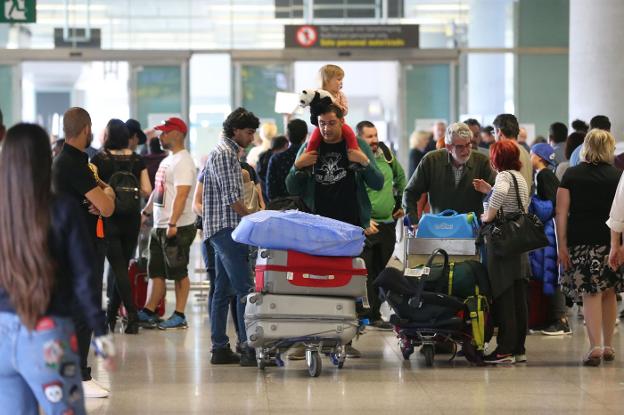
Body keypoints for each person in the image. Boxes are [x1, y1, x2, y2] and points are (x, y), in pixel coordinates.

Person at [0, 123, 115, 414]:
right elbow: (84, 277)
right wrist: (101, 332)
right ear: (45, 158)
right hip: (47, 335)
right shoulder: (62, 209)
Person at [286, 104, 384, 358]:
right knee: (311, 282)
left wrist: (363, 163)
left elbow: (378, 182)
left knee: (346, 284)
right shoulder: (311, 145)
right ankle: (307, 338)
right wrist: (298, 166)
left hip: (349, 226)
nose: (326, 129)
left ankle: (345, 339)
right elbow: (291, 186)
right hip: (316, 225)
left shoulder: (357, 145)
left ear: (342, 121)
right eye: (321, 123)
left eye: (331, 123)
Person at [52, 107, 116, 398]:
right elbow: (107, 206)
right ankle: (80, 375)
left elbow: (106, 193)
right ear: (87, 128)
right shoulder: (74, 164)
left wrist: (106, 195)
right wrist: (106, 198)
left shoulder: (68, 160)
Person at [198, 107, 259, 366]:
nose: (252, 138)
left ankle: (220, 347)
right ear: (235, 131)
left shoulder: (225, 152)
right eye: (248, 132)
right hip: (227, 230)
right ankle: (247, 347)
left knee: (223, 290)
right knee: (245, 288)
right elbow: (232, 198)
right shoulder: (225, 154)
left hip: (221, 229)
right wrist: (251, 218)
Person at [556, 129, 623, 366]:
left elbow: (561, 213)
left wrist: (561, 245)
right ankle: (608, 346)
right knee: (610, 292)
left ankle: (594, 346)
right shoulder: (618, 176)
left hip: (580, 241)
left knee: (590, 293)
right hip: (611, 242)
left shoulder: (571, 175)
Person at [91, 119, 152, 334]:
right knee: (122, 268)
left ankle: (132, 316)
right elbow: (147, 189)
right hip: (132, 220)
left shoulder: (99, 158)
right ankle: (112, 314)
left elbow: (91, 187)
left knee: (118, 269)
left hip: (109, 218)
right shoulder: (137, 159)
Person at [473, 140, 530, 365]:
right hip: (519, 242)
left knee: (504, 294)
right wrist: (490, 190)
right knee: (518, 297)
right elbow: (515, 203)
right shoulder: (520, 177)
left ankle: (504, 349)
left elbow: (500, 197)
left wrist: (487, 216)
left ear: (496, 158)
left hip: (502, 244)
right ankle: (518, 349)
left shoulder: (504, 176)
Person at [138, 117, 196, 330]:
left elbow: (182, 195)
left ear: (178, 134)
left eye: (165, 132)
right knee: (156, 271)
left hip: (177, 226)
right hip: (160, 225)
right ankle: (149, 310)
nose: (160, 136)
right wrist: (146, 212)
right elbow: (158, 190)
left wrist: (172, 223)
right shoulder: (167, 160)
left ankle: (180, 315)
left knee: (179, 271)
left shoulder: (183, 161)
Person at [357, 120, 406, 330]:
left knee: (381, 271)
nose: (374, 140)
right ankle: (368, 315)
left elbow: (401, 177)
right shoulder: (355, 158)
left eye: (375, 135)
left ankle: (376, 312)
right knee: (365, 272)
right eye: (369, 136)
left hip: (387, 224)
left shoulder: (386, 154)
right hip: (365, 226)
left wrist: (400, 203)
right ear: (360, 139)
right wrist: (364, 217)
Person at [403, 122, 496, 225]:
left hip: (472, 229)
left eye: (468, 145)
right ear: (448, 147)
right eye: (460, 147)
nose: (465, 151)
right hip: (439, 228)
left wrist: (489, 191)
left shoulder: (481, 161)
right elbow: (410, 192)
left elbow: (497, 195)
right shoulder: (431, 160)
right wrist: (412, 220)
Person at [528, 143, 571, 336]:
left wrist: (532, 205)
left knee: (551, 272)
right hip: (551, 229)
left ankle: (559, 319)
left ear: (538, 156)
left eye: (531, 154)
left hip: (549, 230)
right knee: (549, 272)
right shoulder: (548, 174)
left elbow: (549, 205)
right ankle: (553, 317)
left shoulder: (543, 175)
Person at [304, 65, 360, 162]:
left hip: (339, 125)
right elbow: (312, 110)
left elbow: (345, 110)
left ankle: (355, 155)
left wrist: (335, 104)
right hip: (321, 126)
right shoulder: (318, 94)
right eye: (338, 79)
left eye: (341, 80)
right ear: (327, 80)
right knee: (313, 140)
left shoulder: (340, 95)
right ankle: (308, 159)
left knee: (350, 134)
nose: (341, 83)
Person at [266, 118, 308, 200]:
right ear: (305, 136)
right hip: (305, 208)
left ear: (287, 136)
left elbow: (270, 192)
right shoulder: (309, 157)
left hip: (282, 207)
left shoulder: (276, 159)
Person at [492, 114, 533, 190]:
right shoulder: (525, 151)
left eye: (494, 132)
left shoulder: (505, 152)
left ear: (499, 132)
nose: (494, 136)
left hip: (509, 201)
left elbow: (502, 188)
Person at [256, 135, 288, 202]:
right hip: (277, 199)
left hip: (263, 196)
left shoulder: (262, 156)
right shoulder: (277, 159)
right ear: (285, 145)